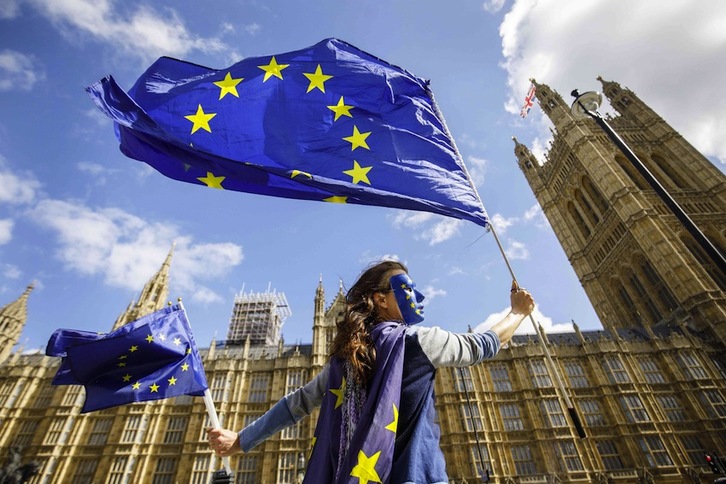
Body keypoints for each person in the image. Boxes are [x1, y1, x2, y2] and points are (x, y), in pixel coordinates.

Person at [207, 260, 535, 483]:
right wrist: (517, 312)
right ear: (380, 299)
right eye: (407, 288)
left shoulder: (343, 361)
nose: (418, 295)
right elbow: (483, 345)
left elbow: (299, 403)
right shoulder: (421, 342)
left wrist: (241, 439)